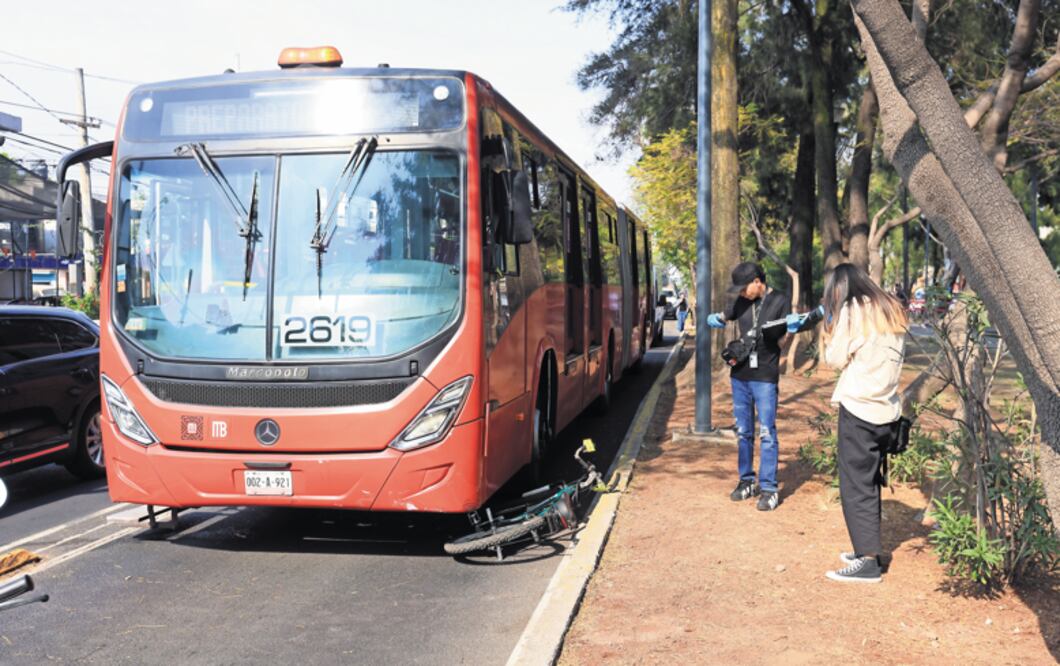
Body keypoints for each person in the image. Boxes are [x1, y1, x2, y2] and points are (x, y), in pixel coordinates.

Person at [705, 262, 821, 511]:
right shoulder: (741, 300)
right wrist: (717, 318)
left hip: (765, 376)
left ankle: (768, 488)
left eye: (745, 288)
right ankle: (746, 480)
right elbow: (727, 315)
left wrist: (790, 330)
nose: (742, 293)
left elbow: (780, 341)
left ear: (758, 281)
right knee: (743, 431)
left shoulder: (779, 300)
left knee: (767, 432)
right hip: (740, 375)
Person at [821, 263, 908, 583]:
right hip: (886, 411)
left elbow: (833, 359)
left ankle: (869, 563)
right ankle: (865, 549)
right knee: (869, 483)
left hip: (859, 409)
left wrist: (830, 329)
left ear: (840, 289)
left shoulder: (853, 310)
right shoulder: (890, 307)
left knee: (855, 486)